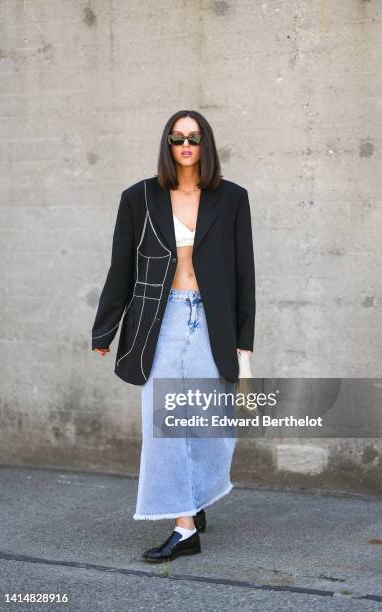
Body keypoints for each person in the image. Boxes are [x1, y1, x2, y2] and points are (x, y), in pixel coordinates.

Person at [92, 109, 256, 563]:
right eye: (177, 137)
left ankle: (196, 498)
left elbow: (245, 273)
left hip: (211, 321)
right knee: (165, 423)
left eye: (194, 137)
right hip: (159, 321)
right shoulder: (139, 197)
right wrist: (106, 327)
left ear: (206, 145)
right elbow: (121, 266)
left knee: (208, 422)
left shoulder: (232, 198)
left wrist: (245, 338)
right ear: (167, 144)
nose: (185, 144)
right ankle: (184, 527)